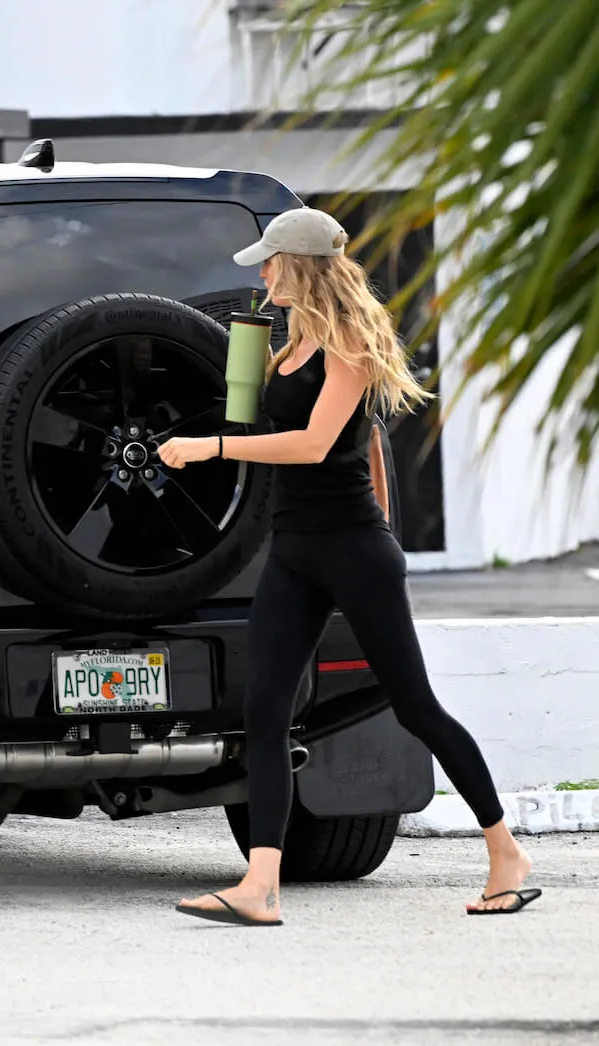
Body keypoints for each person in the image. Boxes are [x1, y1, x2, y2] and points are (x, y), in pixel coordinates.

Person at [158, 207, 538, 925]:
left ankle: (506, 851)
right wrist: (239, 387)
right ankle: (261, 884)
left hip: (355, 551)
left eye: (269, 262)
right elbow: (258, 424)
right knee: (264, 711)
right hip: (294, 549)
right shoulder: (289, 341)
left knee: (417, 706)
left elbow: (311, 444)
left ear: (299, 264)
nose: (262, 274)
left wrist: (209, 448)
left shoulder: (351, 344)